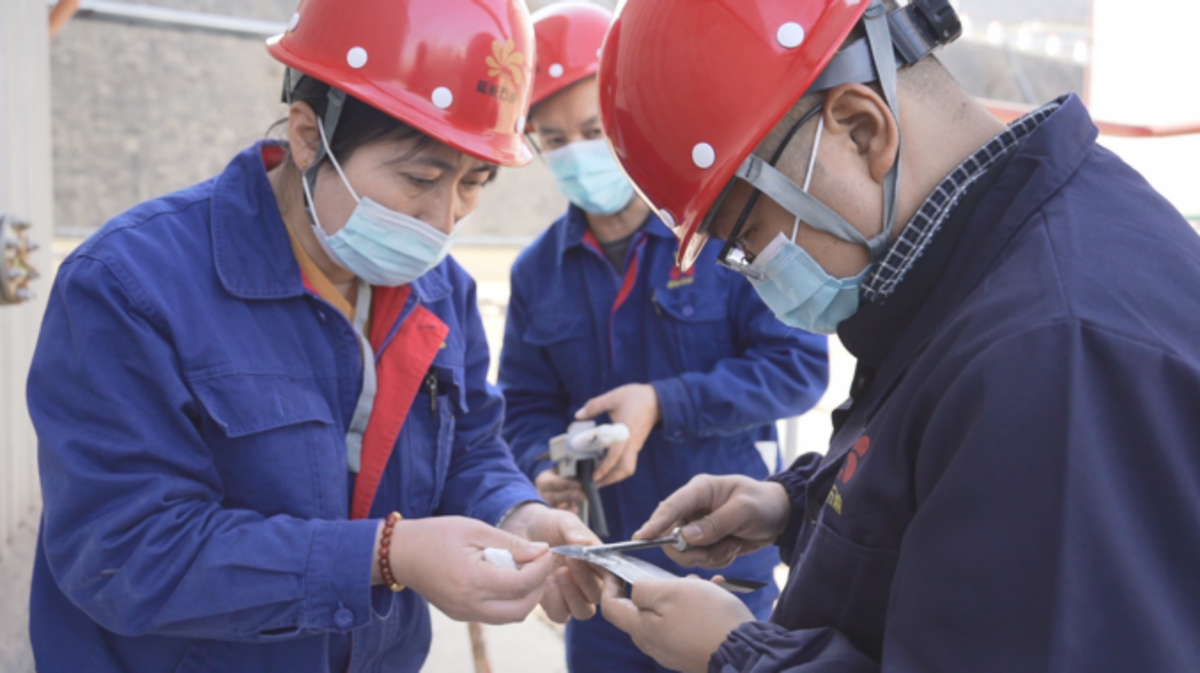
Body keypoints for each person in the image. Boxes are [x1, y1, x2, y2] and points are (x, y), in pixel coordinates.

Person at [591, 0, 1200, 670]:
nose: (749, 271)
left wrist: (737, 650)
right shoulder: (980, 265)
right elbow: (962, 499)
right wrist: (796, 506)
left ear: (860, 131)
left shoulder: (1053, 355)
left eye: (748, 235)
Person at [26, 1, 602, 671]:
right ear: (308, 134)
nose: (444, 219)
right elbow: (123, 550)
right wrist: (386, 556)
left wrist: (517, 514)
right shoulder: (131, 287)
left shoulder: (444, 294)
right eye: (420, 178)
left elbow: (470, 449)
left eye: (474, 183)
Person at [498, 4, 829, 672]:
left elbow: (798, 366)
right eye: (554, 138)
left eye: (593, 129)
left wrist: (663, 401)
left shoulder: (720, 232)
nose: (577, 153)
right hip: (600, 572)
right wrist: (542, 467)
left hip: (721, 564)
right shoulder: (537, 272)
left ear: (628, 120)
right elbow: (523, 404)